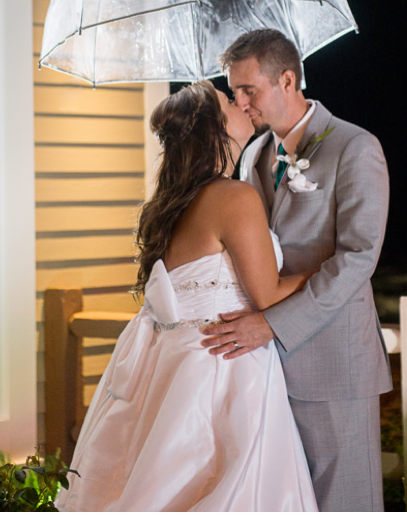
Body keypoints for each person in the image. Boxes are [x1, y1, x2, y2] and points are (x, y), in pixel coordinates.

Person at [55, 80, 319, 512]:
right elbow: (268, 295)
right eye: (228, 101)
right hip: (226, 366)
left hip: (173, 364)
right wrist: (326, 270)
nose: (240, 102)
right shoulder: (235, 197)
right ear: (214, 129)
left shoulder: (171, 203)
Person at [201, 29, 393, 512]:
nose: (240, 102)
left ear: (287, 79)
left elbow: (358, 258)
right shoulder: (255, 155)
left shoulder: (356, 146)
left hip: (333, 361)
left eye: (250, 90)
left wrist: (271, 324)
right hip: (263, 369)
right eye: (234, 91)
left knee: (343, 504)